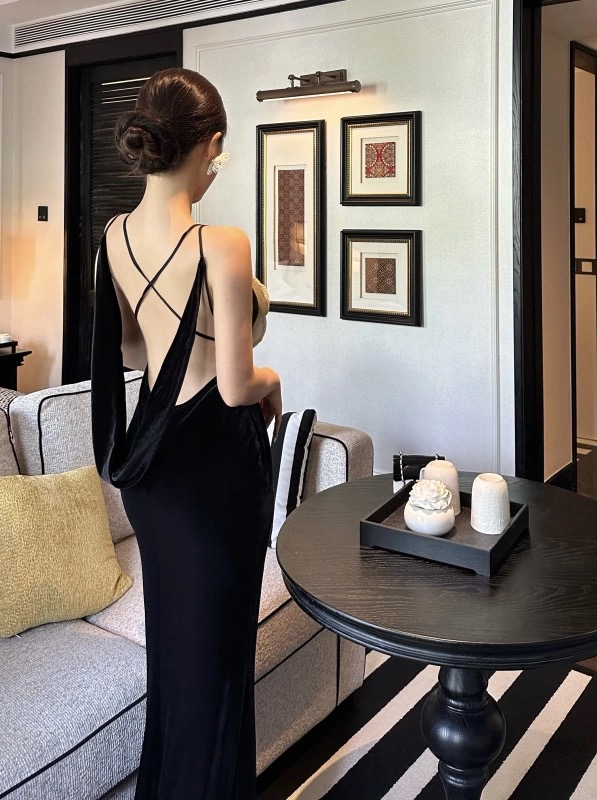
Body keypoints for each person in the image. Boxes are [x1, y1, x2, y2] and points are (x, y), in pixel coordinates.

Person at [90, 67, 281, 800]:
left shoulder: (113, 235)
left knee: (175, 655)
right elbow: (236, 385)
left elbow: (131, 350)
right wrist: (274, 381)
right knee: (220, 663)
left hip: (154, 466)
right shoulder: (222, 243)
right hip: (214, 471)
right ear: (210, 145)